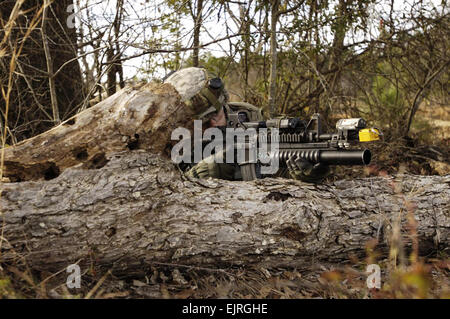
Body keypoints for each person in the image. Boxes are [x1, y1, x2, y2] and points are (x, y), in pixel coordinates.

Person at [164, 67, 330, 183]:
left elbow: (275, 172)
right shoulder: (171, 140)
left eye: (217, 114)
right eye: (204, 122)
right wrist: (205, 171)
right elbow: (164, 188)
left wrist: (304, 176)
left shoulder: (250, 117)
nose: (214, 123)